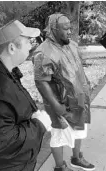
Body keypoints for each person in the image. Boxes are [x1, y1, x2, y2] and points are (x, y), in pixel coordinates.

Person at [0, 20, 52, 171]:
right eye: (27, 41)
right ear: (11, 48)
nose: (31, 45)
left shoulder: (1, 73)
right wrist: (38, 125)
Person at [32, 14, 95, 171]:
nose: (70, 31)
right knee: (59, 136)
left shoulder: (72, 45)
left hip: (79, 98)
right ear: (54, 29)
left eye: (70, 27)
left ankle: (76, 158)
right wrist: (55, 105)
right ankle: (60, 167)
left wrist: (85, 87)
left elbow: (77, 69)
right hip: (61, 103)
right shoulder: (43, 52)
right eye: (65, 28)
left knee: (80, 129)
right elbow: (41, 81)